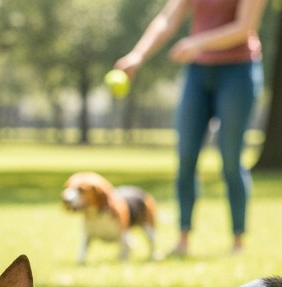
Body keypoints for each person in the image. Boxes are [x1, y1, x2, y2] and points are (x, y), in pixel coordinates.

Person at [114, 0, 267, 256]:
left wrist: (197, 43)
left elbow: (244, 27)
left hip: (238, 70)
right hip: (198, 72)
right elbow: (167, 18)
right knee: (186, 157)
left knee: (231, 159)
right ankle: (183, 240)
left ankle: (237, 241)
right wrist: (138, 54)